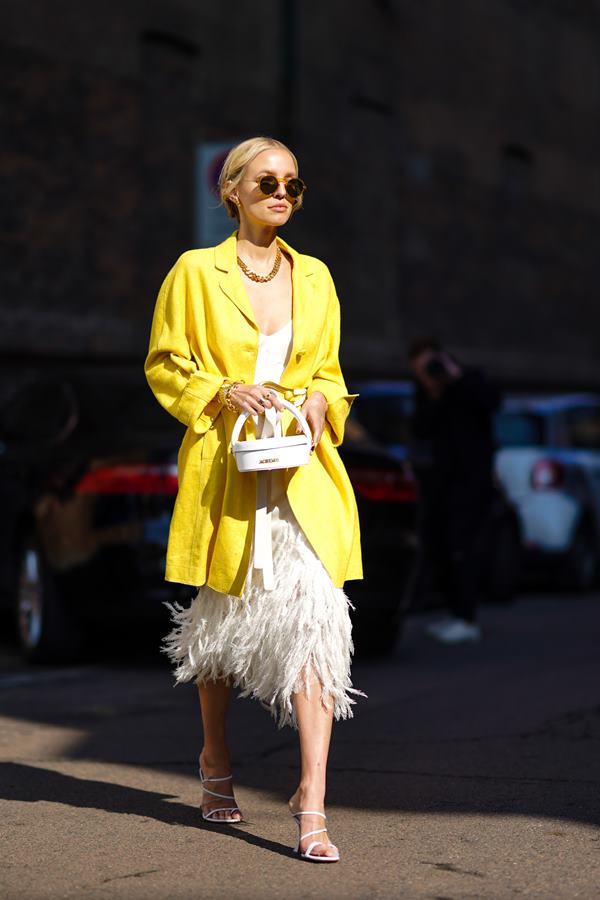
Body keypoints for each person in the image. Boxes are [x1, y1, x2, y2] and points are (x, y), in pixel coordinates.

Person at [144, 136, 364, 862]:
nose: (282, 194)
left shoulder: (319, 277)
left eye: (294, 185)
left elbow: (330, 372)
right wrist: (219, 389)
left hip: (302, 476)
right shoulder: (194, 272)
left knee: (315, 626)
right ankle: (214, 760)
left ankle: (312, 802)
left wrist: (321, 405)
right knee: (221, 632)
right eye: (268, 182)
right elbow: (166, 363)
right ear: (232, 189)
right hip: (227, 471)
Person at [408, 337, 502, 644]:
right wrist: (433, 392)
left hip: (472, 481)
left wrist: (455, 378)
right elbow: (421, 429)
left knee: (465, 547)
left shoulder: (470, 380)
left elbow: (492, 402)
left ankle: (467, 617)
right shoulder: (428, 392)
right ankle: (454, 612)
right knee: (440, 546)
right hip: (439, 481)